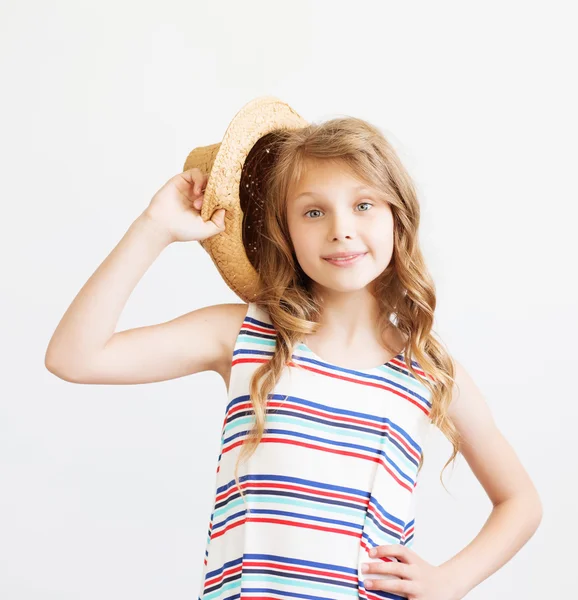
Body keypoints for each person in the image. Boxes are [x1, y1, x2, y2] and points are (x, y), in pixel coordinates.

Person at [45, 100, 542, 600]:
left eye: (363, 204)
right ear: (284, 232)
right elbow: (75, 357)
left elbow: (520, 501)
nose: (340, 228)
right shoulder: (243, 335)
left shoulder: (427, 369)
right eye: (313, 211)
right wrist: (154, 227)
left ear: (398, 218)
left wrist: (450, 580)